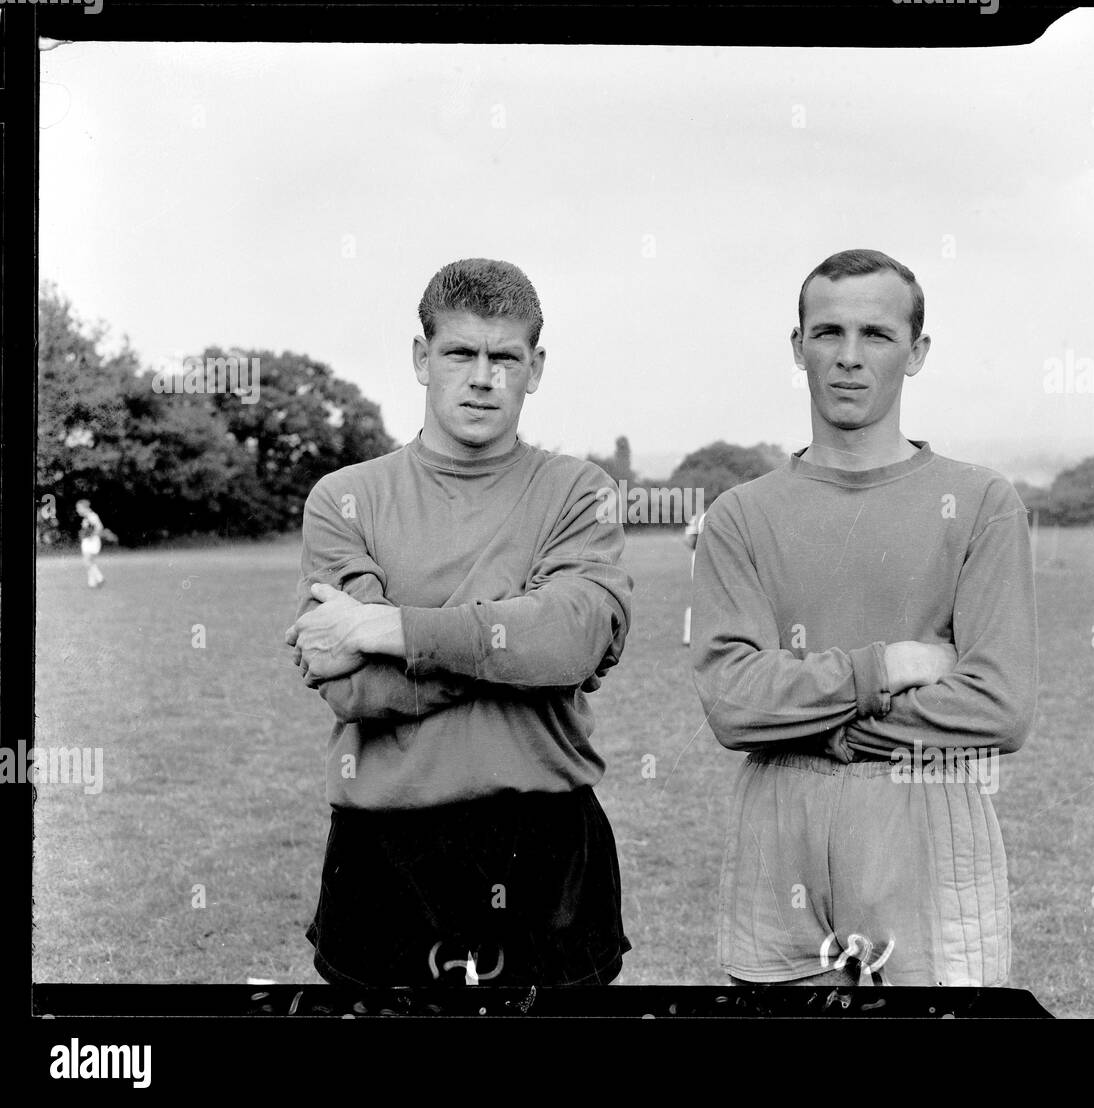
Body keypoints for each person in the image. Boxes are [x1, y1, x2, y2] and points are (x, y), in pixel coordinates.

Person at [691, 249, 1037, 987]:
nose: (849, 358)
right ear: (798, 347)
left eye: (876, 336)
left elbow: (1000, 708)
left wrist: (823, 720)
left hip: (927, 814)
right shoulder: (740, 517)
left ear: (916, 353)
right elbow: (732, 706)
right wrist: (883, 670)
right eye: (827, 333)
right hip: (778, 834)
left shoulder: (981, 503)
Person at [285, 258, 634, 988]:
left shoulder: (579, 491)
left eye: (505, 357)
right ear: (421, 359)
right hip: (385, 850)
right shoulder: (343, 498)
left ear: (534, 368)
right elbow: (354, 695)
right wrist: (518, 652)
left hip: (546, 844)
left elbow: (570, 642)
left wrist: (387, 631)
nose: (484, 377)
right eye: (460, 353)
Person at [681, 506, 708, 646]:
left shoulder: (700, 515)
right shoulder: (700, 516)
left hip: (702, 555)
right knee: (700, 596)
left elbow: (687, 539)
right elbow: (689, 539)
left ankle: (691, 636)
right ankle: (690, 636)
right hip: (702, 556)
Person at [76, 499, 106, 588]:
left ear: (84, 508)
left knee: (87, 561)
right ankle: (92, 582)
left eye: (79, 508)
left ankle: (100, 578)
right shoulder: (86, 518)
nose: (77, 510)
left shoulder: (92, 516)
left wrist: (91, 535)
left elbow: (100, 527)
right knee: (90, 562)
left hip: (92, 541)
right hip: (88, 541)